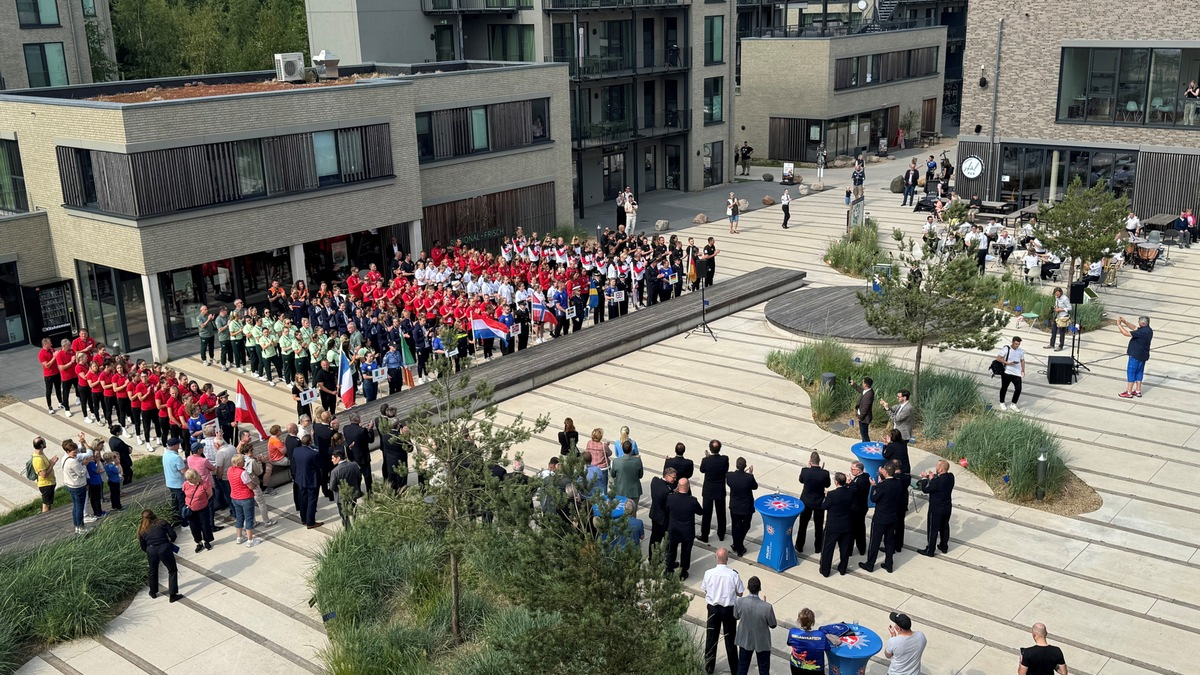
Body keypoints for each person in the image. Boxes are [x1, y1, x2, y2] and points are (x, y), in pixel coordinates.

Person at [701, 547, 745, 674]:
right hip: (728, 610)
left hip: (713, 609)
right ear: (727, 559)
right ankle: (734, 669)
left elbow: (705, 589)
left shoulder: (708, 573)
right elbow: (740, 593)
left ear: (716, 558)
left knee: (711, 639)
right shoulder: (733, 574)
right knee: (730, 640)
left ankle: (709, 668)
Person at [858, 463, 905, 573]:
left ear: (886, 472)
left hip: (880, 518)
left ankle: (870, 564)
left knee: (875, 542)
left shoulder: (882, 486)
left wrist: (874, 486)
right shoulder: (898, 483)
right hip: (892, 516)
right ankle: (889, 564)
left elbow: (874, 498)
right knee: (889, 541)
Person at [733, 576, 777, 675]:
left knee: (742, 668)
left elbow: (736, 616)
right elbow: (773, 624)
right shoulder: (767, 607)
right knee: (764, 670)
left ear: (748, 588)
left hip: (745, 639)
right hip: (762, 641)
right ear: (760, 588)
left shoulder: (739, 601)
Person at [138, 509, 182, 602]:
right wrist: (170, 542)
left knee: (153, 571)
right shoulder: (162, 522)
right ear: (154, 515)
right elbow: (173, 535)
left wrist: (149, 550)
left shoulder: (142, 529)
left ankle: (153, 592)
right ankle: (172, 595)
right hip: (164, 547)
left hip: (151, 550)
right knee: (172, 570)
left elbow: (142, 546)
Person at [664, 477, 703, 580]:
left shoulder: (671, 498)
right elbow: (700, 511)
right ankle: (682, 572)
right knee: (685, 553)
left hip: (674, 529)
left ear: (678, 486)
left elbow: (667, 508)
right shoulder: (692, 501)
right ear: (688, 486)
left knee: (671, 551)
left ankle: (669, 570)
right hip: (687, 531)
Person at [818, 472, 853, 577]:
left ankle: (825, 570)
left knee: (827, 549)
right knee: (844, 549)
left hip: (833, 526)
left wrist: (826, 496)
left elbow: (824, 506)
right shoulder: (850, 493)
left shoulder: (832, 495)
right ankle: (843, 569)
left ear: (836, 482)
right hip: (846, 524)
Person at [786, 608, 841, 674]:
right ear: (813, 622)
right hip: (816, 669)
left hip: (796, 666)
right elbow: (828, 648)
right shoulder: (820, 635)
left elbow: (789, 643)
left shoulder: (793, 632)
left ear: (799, 621)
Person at [917, 460, 955, 557]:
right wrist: (933, 478)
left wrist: (925, 478)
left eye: (937, 466)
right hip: (947, 507)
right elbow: (939, 481)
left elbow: (925, 489)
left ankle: (930, 549)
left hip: (936, 508)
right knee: (944, 527)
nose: (935, 467)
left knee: (933, 529)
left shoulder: (937, 482)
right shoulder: (951, 477)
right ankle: (944, 546)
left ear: (941, 469)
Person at [795, 451, 830, 554]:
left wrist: (808, 468)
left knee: (803, 524)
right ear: (819, 461)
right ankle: (818, 547)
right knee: (818, 525)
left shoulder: (805, 471)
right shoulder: (825, 473)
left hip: (806, 501)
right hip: (819, 502)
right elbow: (827, 485)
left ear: (810, 461)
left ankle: (799, 545)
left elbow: (801, 480)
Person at [699, 439, 729, 543]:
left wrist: (708, 457)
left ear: (710, 449)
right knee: (721, 513)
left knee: (707, 514)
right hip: (720, 490)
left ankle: (705, 535)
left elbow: (702, 470)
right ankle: (721, 534)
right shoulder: (725, 459)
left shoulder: (706, 460)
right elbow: (725, 469)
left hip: (708, 490)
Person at [726, 457, 758, 557]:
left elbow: (731, 482)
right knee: (746, 526)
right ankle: (740, 547)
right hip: (746, 507)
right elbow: (755, 486)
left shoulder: (730, 476)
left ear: (736, 465)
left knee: (735, 527)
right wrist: (750, 474)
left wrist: (743, 473)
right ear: (745, 466)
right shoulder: (749, 478)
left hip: (735, 506)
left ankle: (736, 544)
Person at [227, 454, 261, 547]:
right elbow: (250, 486)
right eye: (243, 461)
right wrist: (254, 483)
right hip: (245, 497)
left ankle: (239, 537)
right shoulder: (243, 473)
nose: (245, 463)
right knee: (249, 519)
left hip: (235, 497)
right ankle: (250, 540)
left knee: (239, 517)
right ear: (240, 462)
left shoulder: (229, 470)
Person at [293, 434, 323, 529]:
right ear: (310, 442)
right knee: (312, 501)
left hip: (300, 478)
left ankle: (304, 519)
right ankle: (310, 522)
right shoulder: (313, 454)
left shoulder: (296, 450)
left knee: (303, 499)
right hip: (311, 480)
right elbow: (319, 464)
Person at [1118, 316, 1152, 399]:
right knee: (1139, 372)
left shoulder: (1141, 332)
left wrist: (1119, 325)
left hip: (1135, 355)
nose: (1138, 323)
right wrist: (1125, 322)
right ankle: (1138, 391)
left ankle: (1129, 392)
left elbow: (1126, 333)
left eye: (1139, 321)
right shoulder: (1148, 330)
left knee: (1131, 372)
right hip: (1143, 355)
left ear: (1142, 323)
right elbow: (1134, 328)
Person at [329, 449, 363, 529]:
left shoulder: (335, 471)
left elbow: (332, 487)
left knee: (344, 516)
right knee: (354, 513)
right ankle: (357, 527)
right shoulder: (354, 465)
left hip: (341, 497)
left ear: (338, 458)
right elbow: (359, 478)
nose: (331, 460)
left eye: (333, 458)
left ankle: (348, 531)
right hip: (353, 494)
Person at [182, 468, 214, 552]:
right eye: (187, 479)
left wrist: (202, 501)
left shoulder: (204, 484)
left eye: (190, 479)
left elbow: (210, 494)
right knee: (194, 527)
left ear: (195, 477)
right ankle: (198, 542)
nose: (188, 480)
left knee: (205, 525)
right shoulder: (185, 484)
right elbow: (184, 494)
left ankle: (207, 541)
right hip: (191, 509)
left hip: (203, 508)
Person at [62, 439, 90, 534]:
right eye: (74, 452)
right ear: (68, 451)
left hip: (70, 486)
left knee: (75, 506)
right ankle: (81, 527)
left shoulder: (65, 459)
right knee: (79, 508)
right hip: (78, 486)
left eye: (76, 451)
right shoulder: (73, 462)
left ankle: (77, 526)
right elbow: (81, 473)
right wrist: (84, 465)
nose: (76, 453)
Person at [649, 466, 678, 549]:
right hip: (663, 519)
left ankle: (652, 558)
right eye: (673, 477)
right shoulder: (667, 492)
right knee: (665, 540)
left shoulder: (655, 481)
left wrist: (672, 491)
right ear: (667, 476)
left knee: (654, 539)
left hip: (654, 514)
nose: (675, 479)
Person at [995, 336, 1026, 412]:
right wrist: (1007, 363)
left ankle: (1013, 404)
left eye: (1018, 344)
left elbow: (1022, 360)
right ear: (1012, 342)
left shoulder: (1021, 351)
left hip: (1017, 373)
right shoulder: (1006, 349)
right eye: (1015, 344)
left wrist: (1023, 370)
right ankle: (1002, 402)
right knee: (1004, 387)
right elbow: (998, 358)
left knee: (1018, 389)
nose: (1017, 346)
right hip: (1007, 372)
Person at [162, 438, 189, 527]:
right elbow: (184, 471)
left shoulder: (165, 454)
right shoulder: (176, 457)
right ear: (174, 446)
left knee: (175, 503)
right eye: (178, 444)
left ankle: (175, 519)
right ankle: (184, 522)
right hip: (178, 483)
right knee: (182, 503)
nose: (179, 446)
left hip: (170, 482)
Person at [30, 437, 59, 513]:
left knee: (49, 503)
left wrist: (50, 462)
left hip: (49, 483)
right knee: (46, 504)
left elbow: (45, 468)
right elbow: (44, 474)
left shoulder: (41, 454)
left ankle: (48, 517)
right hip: (46, 484)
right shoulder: (38, 459)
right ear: (42, 445)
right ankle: (45, 519)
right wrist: (52, 464)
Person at [847, 461, 870, 555]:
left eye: (852, 469)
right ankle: (861, 548)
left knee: (852, 529)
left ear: (858, 470)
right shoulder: (866, 476)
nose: (851, 470)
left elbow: (854, 490)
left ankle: (849, 550)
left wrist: (849, 483)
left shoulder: (859, 482)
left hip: (856, 508)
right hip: (862, 506)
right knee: (860, 528)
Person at [1046, 287, 1071, 352]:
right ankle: (1052, 344)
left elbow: (1070, 308)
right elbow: (1057, 304)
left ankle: (1061, 346)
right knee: (1053, 330)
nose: (1057, 296)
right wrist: (1055, 308)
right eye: (1056, 294)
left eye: (1058, 294)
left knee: (1062, 332)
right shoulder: (1056, 298)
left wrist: (1060, 309)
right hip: (1057, 316)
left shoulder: (1065, 299)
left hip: (1063, 317)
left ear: (1061, 292)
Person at [852, 378, 874, 442]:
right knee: (863, 433)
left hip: (864, 418)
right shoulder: (867, 391)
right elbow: (861, 390)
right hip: (862, 417)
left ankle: (867, 445)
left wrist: (860, 417)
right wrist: (854, 384)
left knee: (864, 434)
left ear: (865, 385)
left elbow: (865, 408)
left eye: (863, 382)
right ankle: (863, 443)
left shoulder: (869, 395)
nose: (862, 383)